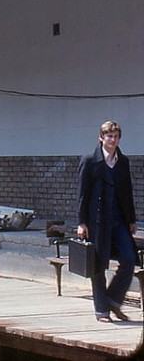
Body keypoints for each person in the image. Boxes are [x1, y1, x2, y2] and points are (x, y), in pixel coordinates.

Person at [77, 120, 138, 323]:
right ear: (101, 138)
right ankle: (101, 310)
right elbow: (83, 194)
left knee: (129, 259)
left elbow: (127, 192)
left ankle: (113, 299)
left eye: (116, 136)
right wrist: (81, 222)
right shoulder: (89, 161)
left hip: (118, 220)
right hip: (97, 221)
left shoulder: (123, 162)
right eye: (109, 136)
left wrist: (131, 219)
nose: (112, 140)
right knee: (98, 265)